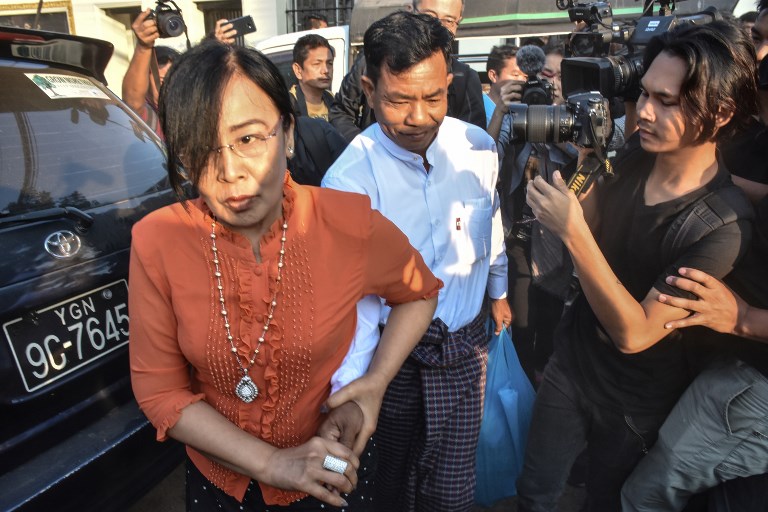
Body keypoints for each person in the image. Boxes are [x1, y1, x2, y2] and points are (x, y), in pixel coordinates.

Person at [128, 41, 442, 511]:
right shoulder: (158, 239)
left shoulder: (347, 222)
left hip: (330, 467)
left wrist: (374, 386)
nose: (230, 171)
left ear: (289, 133)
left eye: (250, 138)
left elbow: (420, 293)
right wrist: (272, 463)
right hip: (218, 481)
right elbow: (160, 392)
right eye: (200, 149)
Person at [515, 19, 757, 511]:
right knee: (535, 493)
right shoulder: (632, 156)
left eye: (667, 102)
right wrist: (582, 171)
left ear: (722, 111)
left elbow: (637, 333)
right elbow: (598, 226)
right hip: (572, 364)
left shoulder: (722, 224)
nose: (644, 112)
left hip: (633, 404)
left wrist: (572, 231)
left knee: (603, 502)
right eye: (644, 94)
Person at [322, 11, 511, 512]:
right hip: (395, 362)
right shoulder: (348, 181)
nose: (419, 117)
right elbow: (356, 302)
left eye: (434, 97)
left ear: (449, 82)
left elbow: (489, 226)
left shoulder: (479, 147)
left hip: (467, 349)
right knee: (390, 490)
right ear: (368, 87)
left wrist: (498, 291)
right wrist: (362, 386)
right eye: (399, 100)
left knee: (450, 494)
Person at [620, 176, 768, 511]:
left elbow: (632, 335)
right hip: (733, 364)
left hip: (751, 388)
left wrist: (744, 318)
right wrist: (710, 172)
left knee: (645, 497)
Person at [328, 0, 486, 142]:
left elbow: (470, 139)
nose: (418, 119)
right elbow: (340, 112)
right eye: (429, 15)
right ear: (411, 10)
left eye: (449, 20)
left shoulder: (465, 78)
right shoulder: (371, 61)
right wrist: (368, 149)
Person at [121, 8, 180, 137]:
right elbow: (132, 102)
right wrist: (143, 47)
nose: (169, 87)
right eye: (163, 80)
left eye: (175, 80)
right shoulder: (147, 115)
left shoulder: (188, 111)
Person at [289, 34, 335, 121]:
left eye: (329, 63)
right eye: (317, 64)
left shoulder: (332, 99)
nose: (325, 70)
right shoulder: (288, 106)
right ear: (298, 70)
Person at [483, 44, 526, 127]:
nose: (522, 80)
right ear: (493, 76)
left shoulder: (521, 109)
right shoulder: (477, 109)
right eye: (516, 75)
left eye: (526, 76)